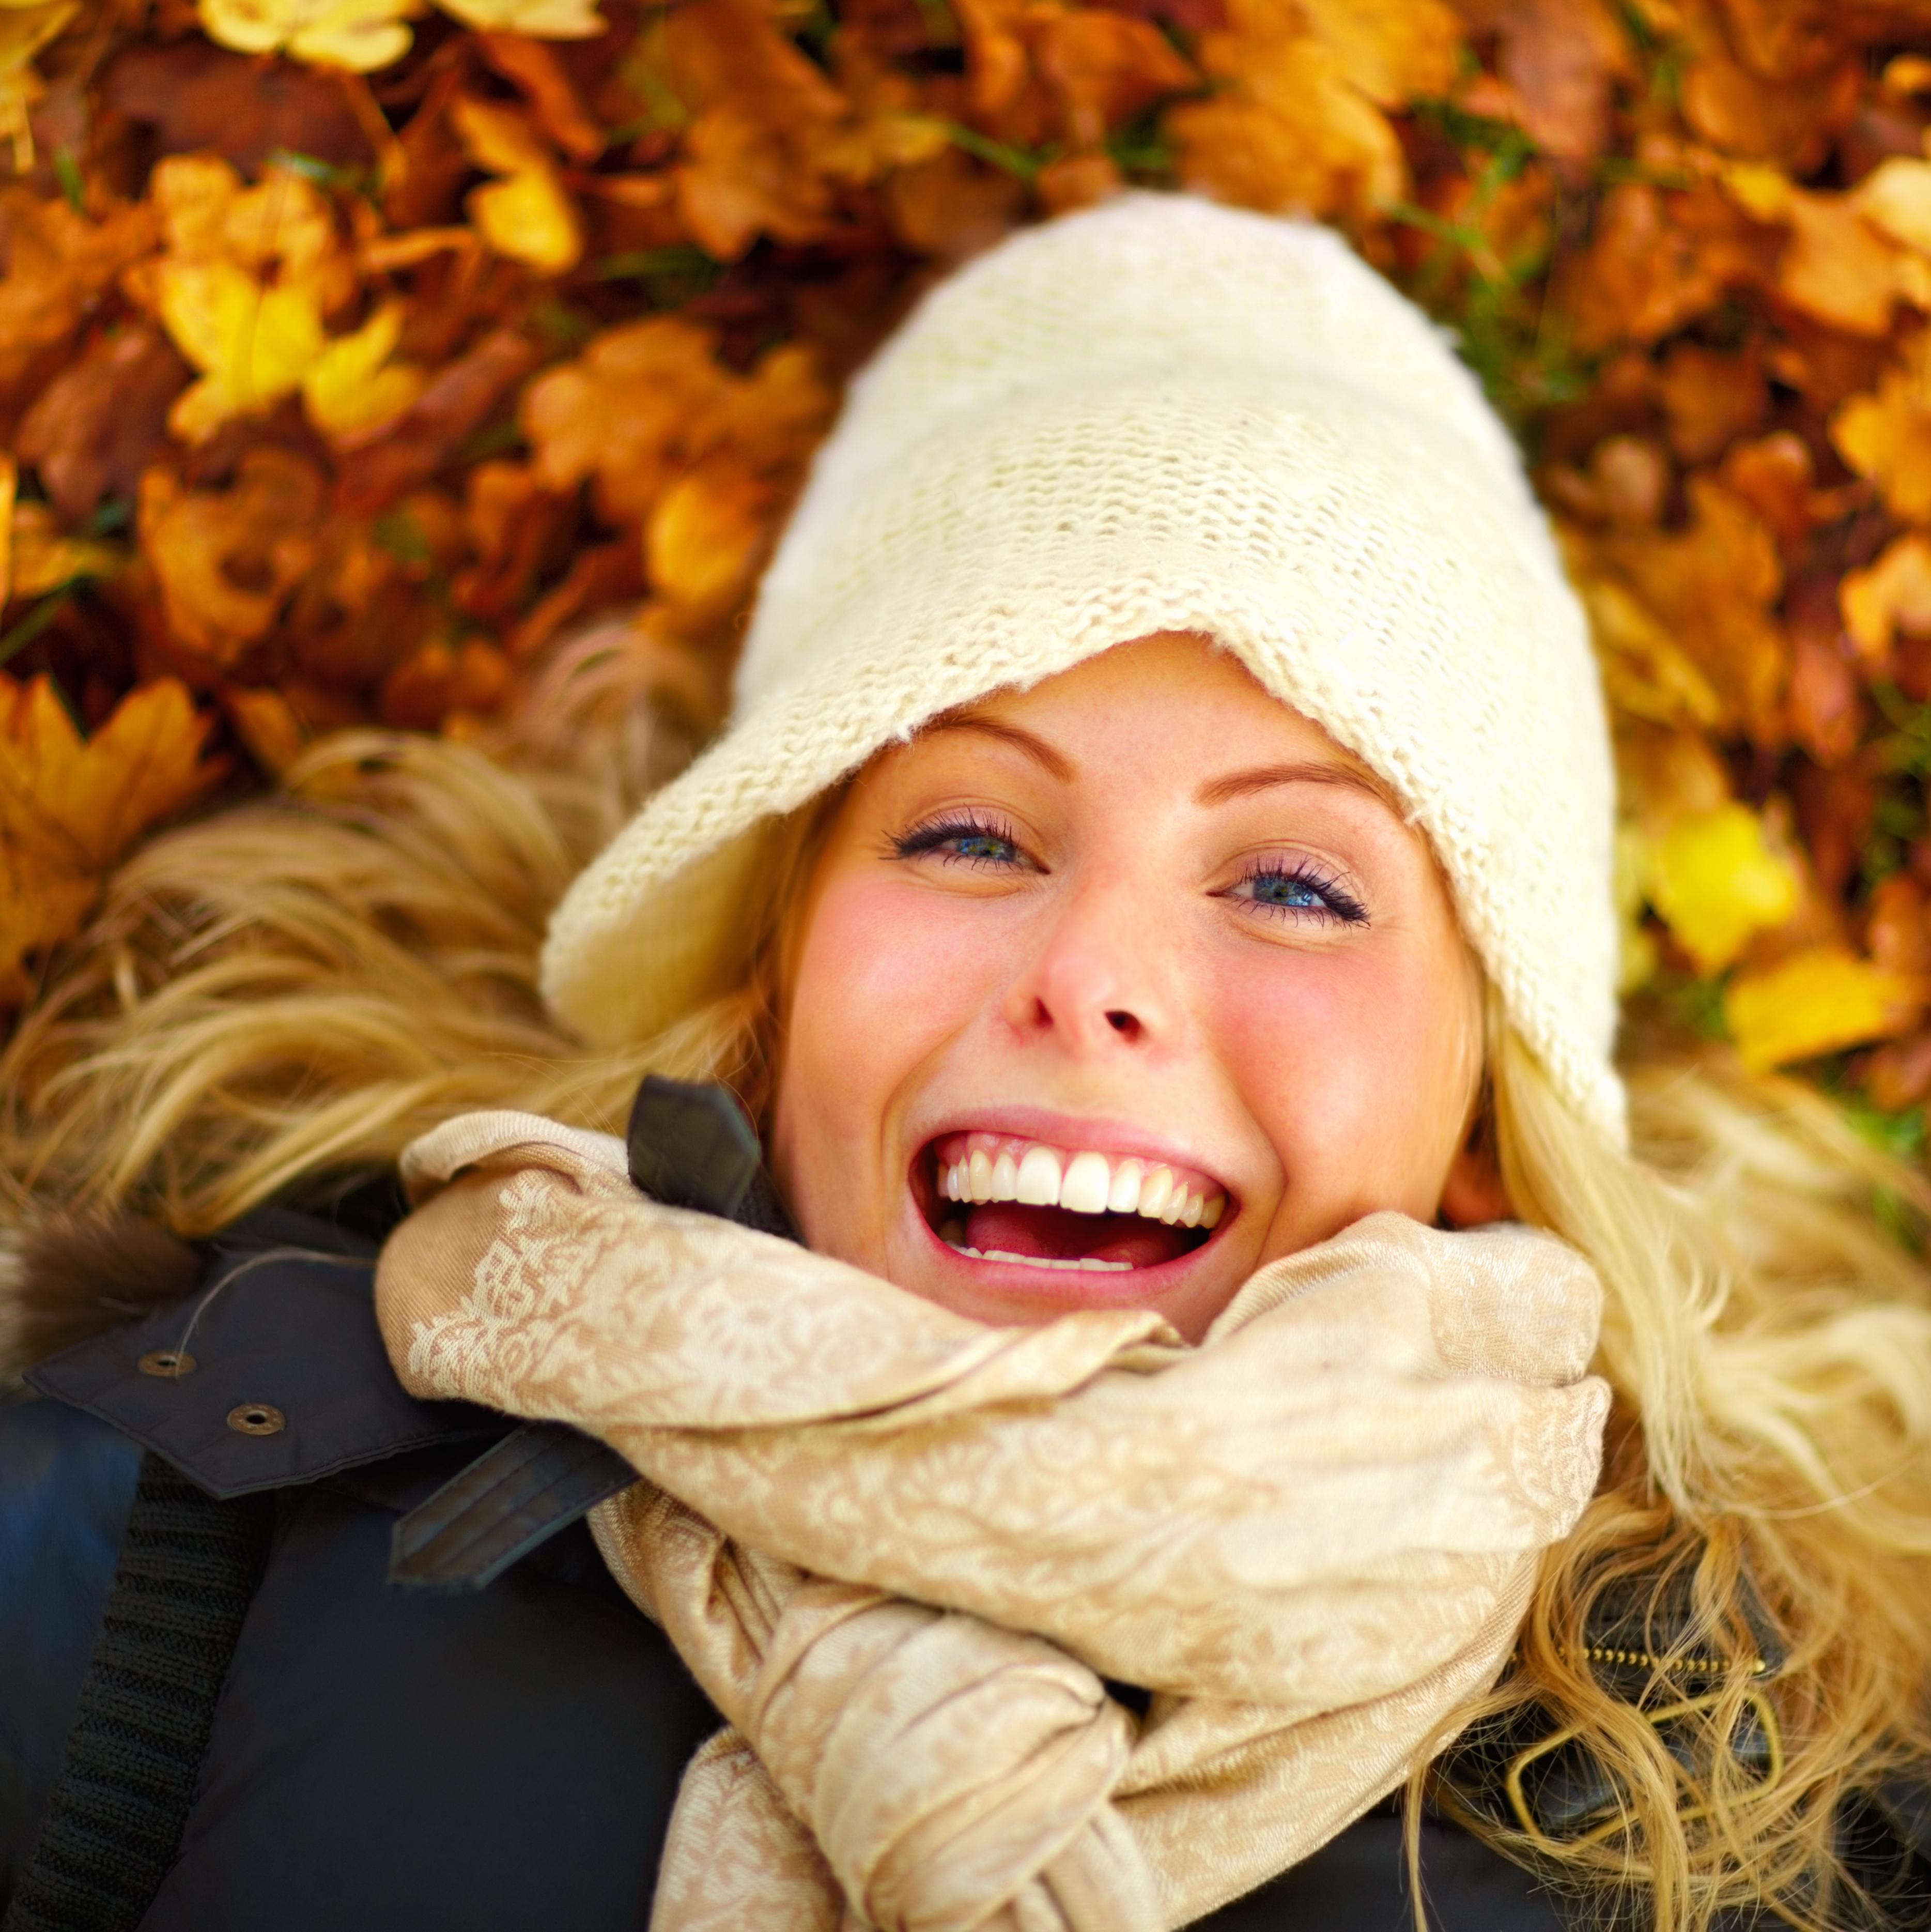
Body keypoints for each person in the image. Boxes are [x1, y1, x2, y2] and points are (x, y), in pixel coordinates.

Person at [3, 192, 1930, 1932]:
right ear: (769, 998)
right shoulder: (176, 1527)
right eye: (970, 835)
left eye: (1288, 880)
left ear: (1484, 1134)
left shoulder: (1758, 1837)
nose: (1093, 973)